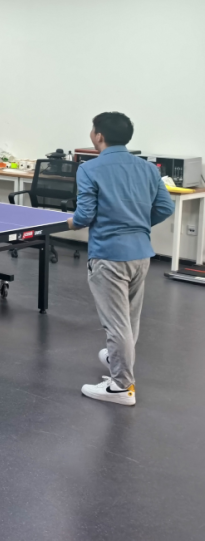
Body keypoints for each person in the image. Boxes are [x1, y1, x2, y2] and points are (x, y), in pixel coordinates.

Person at [68, 112, 173, 406]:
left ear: (99, 136)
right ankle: (119, 364)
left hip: (109, 256)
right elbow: (165, 207)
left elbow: (84, 216)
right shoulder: (148, 168)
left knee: (116, 325)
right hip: (140, 254)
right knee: (129, 320)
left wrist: (70, 223)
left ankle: (121, 387)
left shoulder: (89, 169)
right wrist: (136, 225)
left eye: (93, 130)